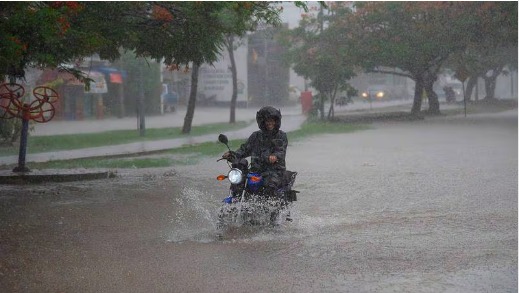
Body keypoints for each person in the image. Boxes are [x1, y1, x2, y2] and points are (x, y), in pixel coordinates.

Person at [222, 106, 288, 196]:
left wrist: (275, 156)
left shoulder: (281, 136)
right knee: (238, 183)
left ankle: (272, 206)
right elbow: (244, 149)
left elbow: (281, 150)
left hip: (274, 171)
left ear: (276, 121)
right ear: (262, 122)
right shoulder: (255, 136)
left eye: (272, 120)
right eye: (267, 121)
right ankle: (233, 202)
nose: (270, 123)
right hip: (256, 171)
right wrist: (232, 154)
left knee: (270, 186)